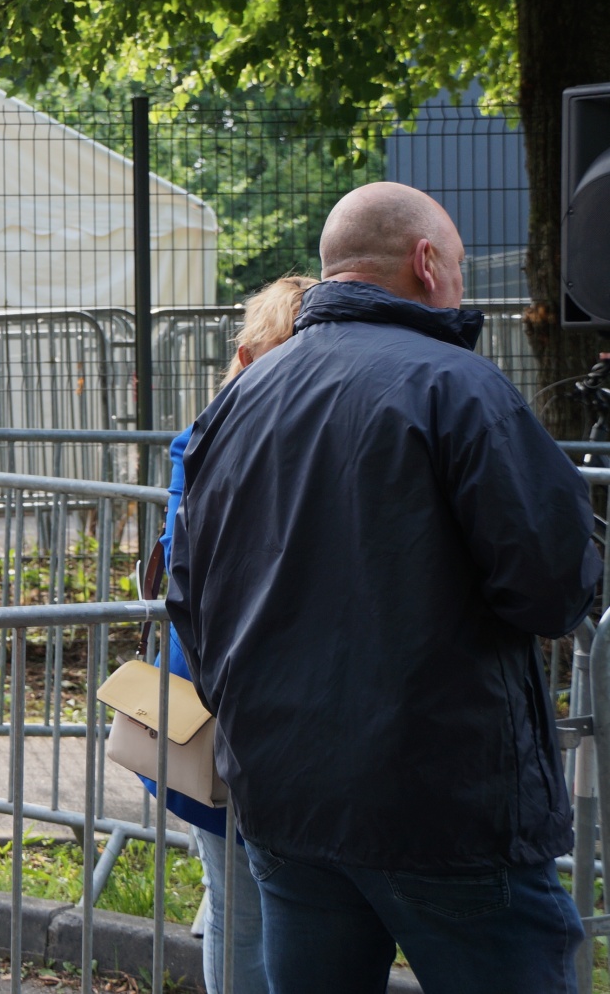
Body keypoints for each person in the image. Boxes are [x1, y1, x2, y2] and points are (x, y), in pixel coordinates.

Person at [168, 183, 602, 994]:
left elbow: (189, 596)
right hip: (447, 808)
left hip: (286, 806)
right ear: (427, 262)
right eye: (459, 265)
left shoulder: (237, 402)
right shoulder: (461, 387)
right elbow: (553, 587)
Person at [147, 274, 313, 994]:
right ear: (247, 359)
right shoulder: (206, 444)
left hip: (263, 716)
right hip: (224, 716)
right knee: (238, 904)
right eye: (283, 359)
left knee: (253, 902)